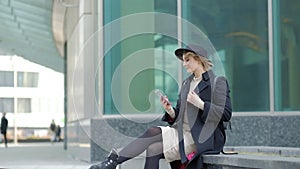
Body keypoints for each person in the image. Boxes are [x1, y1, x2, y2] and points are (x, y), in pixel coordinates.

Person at [89, 44, 232, 169]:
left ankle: (112, 162)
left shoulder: (217, 82)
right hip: (181, 132)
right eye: (183, 61)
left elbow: (225, 114)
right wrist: (170, 110)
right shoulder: (186, 83)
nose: (184, 64)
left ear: (199, 59)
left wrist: (200, 104)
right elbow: (180, 116)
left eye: (187, 60)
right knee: (153, 143)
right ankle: (113, 162)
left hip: (200, 138)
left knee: (153, 141)